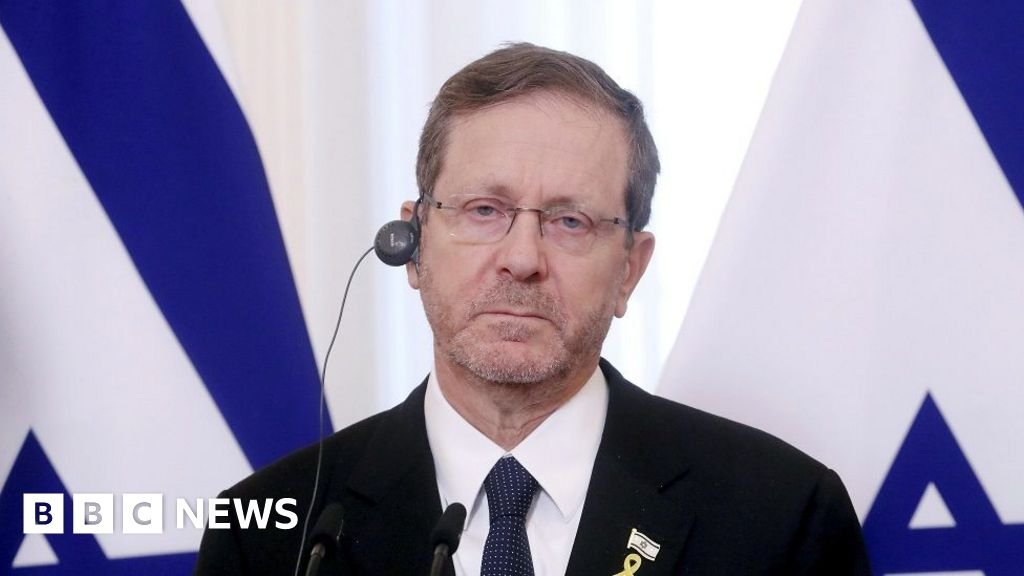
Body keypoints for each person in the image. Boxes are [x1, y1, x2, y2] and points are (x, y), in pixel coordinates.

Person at [195, 43, 871, 576]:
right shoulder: (272, 532)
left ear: (629, 270)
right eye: (484, 210)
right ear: (415, 244)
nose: (522, 259)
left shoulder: (781, 516)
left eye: (570, 221)